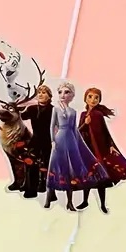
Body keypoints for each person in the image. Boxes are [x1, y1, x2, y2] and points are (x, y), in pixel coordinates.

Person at [46, 81, 109, 211]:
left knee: (72, 170)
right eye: (60, 92)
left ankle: (71, 202)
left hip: (73, 141)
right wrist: (52, 140)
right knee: (56, 166)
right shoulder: (56, 109)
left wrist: (79, 143)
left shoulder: (74, 112)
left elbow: (76, 129)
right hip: (60, 139)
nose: (63, 95)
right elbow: (52, 126)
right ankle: (49, 198)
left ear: (72, 95)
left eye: (67, 92)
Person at [77, 87, 126, 214]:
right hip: (87, 150)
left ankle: (103, 204)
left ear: (99, 100)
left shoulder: (98, 115)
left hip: (99, 150)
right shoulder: (83, 115)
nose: (93, 100)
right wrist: (85, 124)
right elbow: (78, 131)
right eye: (90, 97)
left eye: (96, 97)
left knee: (101, 178)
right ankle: (85, 201)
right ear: (85, 98)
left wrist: (110, 145)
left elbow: (105, 132)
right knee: (87, 177)